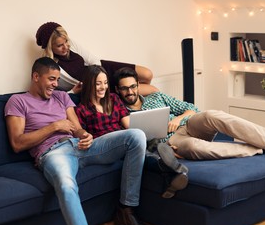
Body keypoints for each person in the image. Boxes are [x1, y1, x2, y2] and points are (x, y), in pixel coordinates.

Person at [4, 57, 156, 225]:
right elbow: (17, 143)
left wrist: (85, 135)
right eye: (51, 79)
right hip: (53, 153)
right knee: (67, 185)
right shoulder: (18, 101)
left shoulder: (61, 96)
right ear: (36, 76)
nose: (55, 84)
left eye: (57, 80)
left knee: (136, 135)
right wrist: (54, 126)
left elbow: (77, 129)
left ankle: (127, 209)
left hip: (81, 147)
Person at [114, 67, 265, 161]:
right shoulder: (121, 113)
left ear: (139, 85)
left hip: (187, 126)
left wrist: (178, 118)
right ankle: (261, 149)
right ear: (117, 90)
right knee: (192, 146)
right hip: (172, 143)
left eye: (133, 87)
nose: (130, 92)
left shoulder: (157, 97)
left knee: (211, 115)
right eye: (125, 89)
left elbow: (193, 108)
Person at [75, 65, 189, 199]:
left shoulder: (113, 99)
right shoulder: (81, 109)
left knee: (143, 144)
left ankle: (169, 169)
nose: (103, 87)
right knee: (137, 145)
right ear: (88, 85)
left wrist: (147, 133)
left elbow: (128, 124)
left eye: (105, 83)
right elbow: (81, 135)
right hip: (106, 145)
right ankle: (172, 167)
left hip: (124, 139)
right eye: (98, 84)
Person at [35, 22, 159, 96]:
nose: (66, 47)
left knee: (147, 74)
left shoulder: (70, 43)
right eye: (59, 45)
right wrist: (77, 90)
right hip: (97, 85)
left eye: (66, 41)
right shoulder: (49, 65)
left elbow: (94, 60)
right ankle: (131, 100)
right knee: (153, 91)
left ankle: (133, 98)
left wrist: (99, 74)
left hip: (102, 68)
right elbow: (54, 93)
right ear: (49, 47)